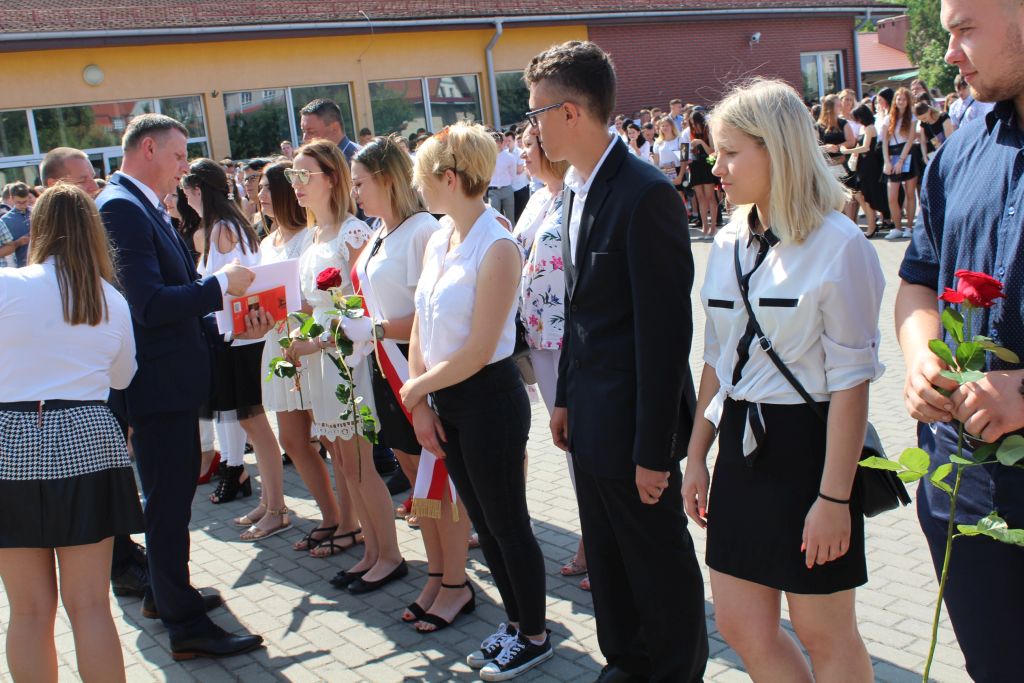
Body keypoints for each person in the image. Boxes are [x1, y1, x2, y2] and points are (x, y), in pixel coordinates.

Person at [683, 77, 881, 683]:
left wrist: (834, 499)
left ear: (778, 149)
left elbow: (851, 385)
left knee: (825, 634)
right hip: (739, 443)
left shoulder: (840, 245)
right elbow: (717, 359)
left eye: (730, 152)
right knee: (741, 625)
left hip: (810, 452)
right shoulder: (725, 242)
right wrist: (696, 456)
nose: (715, 167)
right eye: (715, 152)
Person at [525, 40, 708, 682]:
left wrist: (654, 452)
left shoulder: (645, 194)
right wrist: (565, 399)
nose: (532, 128)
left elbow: (665, 337)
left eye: (537, 113)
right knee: (607, 556)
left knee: (658, 565)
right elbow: (579, 310)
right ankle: (626, 663)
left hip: (635, 430)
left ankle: (675, 672)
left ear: (571, 113)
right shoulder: (575, 191)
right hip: (591, 416)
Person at [97, 114, 264, 659]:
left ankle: (167, 594)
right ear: (148, 149)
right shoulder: (122, 206)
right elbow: (148, 304)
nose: (182, 168)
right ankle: (185, 624)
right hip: (157, 385)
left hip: (164, 380)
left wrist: (219, 309)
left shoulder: (136, 202)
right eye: (177, 156)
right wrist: (218, 285)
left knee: (170, 503)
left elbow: (168, 292)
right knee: (168, 506)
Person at [897, 2, 1024, 680]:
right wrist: (921, 357)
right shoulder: (960, 150)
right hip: (966, 494)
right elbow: (917, 281)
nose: (949, 53)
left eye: (965, 28)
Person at [404, 122, 552, 679]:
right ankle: (514, 624)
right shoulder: (440, 236)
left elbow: (480, 348)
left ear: (449, 177)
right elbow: (420, 322)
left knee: (508, 524)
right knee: (483, 527)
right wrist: (421, 401)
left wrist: (417, 390)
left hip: (488, 398)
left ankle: (534, 635)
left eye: (423, 176)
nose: (418, 187)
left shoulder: (498, 244)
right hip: (446, 398)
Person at [0, 183, 146, 683]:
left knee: (27, 611)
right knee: (90, 606)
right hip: (87, 435)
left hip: (10, 440)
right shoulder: (110, 299)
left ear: (37, 227)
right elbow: (123, 378)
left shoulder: (8, 285)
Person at [348, 135, 473, 631]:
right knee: (420, 486)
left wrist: (374, 328)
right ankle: (436, 573)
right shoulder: (379, 232)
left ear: (386, 178)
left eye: (360, 182)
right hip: (385, 372)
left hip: (416, 371)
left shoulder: (423, 230)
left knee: (441, 484)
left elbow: (429, 313)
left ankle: (457, 582)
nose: (355, 192)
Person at [284, 139, 406, 591]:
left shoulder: (353, 232)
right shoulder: (313, 235)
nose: (296, 184)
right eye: (292, 176)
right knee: (340, 459)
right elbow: (309, 304)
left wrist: (315, 342)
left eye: (304, 175)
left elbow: (359, 308)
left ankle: (389, 555)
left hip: (345, 360)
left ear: (331, 178)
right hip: (320, 359)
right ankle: (371, 549)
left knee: (358, 463)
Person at [180, 159, 289, 541]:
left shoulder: (223, 228)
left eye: (187, 192)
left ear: (198, 191)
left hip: (242, 338)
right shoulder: (226, 225)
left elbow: (240, 284)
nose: (185, 199)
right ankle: (269, 501)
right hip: (235, 337)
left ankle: (276, 508)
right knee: (250, 424)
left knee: (256, 425)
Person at [512, 128, 590, 586]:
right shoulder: (540, 196)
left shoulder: (577, 196)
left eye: (528, 144)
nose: (521, 152)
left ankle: (597, 540)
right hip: (540, 339)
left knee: (580, 440)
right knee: (570, 442)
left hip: (567, 340)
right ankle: (593, 535)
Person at [255, 160, 343, 556]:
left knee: (331, 437)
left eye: (265, 187)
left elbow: (319, 299)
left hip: (310, 341)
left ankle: (349, 520)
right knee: (291, 438)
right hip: (278, 344)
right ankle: (330, 515)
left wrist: (287, 309)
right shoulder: (265, 242)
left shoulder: (310, 237)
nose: (258, 195)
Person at [840, 104, 882, 237]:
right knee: (861, 195)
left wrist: (848, 151)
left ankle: (872, 226)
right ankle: (872, 224)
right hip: (863, 164)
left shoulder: (869, 128)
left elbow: (866, 147)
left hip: (869, 165)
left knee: (866, 196)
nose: (856, 121)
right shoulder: (864, 128)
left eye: (857, 118)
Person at [882, 87, 918, 240]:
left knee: (910, 193)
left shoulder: (912, 118)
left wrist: (901, 161)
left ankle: (909, 226)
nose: (901, 101)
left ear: (908, 101)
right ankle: (897, 227)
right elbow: (884, 142)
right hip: (892, 155)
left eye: (904, 99)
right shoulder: (888, 118)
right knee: (892, 196)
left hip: (907, 154)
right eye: (898, 99)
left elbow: (910, 140)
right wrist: (887, 161)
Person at [688, 110, 719, 238]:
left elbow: (712, 151)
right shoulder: (690, 133)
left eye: (694, 123)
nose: (693, 126)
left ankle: (713, 227)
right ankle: (704, 227)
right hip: (695, 166)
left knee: (710, 197)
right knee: (700, 198)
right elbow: (686, 151)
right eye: (691, 124)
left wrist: (701, 142)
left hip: (706, 166)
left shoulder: (708, 132)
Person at [300, 98, 360, 163]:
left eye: (311, 132)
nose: (304, 139)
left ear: (334, 128)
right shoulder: (313, 161)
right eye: (303, 131)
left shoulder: (359, 162)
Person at [487, 132, 518, 222]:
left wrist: (507, 182)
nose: (494, 144)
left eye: (496, 142)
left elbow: (513, 174)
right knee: (494, 218)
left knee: (510, 217)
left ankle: (511, 231)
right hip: (493, 191)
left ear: (501, 143)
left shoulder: (509, 157)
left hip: (507, 189)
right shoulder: (487, 157)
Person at [0, 181, 31, 267]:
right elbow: (7, 247)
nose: (23, 205)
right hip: (21, 265)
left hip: (40, 261)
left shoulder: (36, 212)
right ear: (12, 198)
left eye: (25, 201)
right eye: (19, 202)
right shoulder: (5, 220)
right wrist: (18, 242)